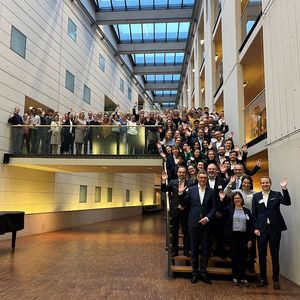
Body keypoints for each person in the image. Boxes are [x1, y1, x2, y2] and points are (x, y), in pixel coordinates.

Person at [252, 176, 291, 290]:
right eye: (263, 183)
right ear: (260, 184)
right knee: (262, 255)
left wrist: (284, 189)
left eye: (267, 182)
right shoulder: (256, 196)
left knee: (275, 254)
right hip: (261, 230)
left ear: (270, 183)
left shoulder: (277, 194)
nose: (265, 184)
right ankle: (263, 279)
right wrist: (255, 228)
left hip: (274, 229)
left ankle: (276, 280)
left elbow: (288, 202)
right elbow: (254, 214)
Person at [179, 170, 217, 284]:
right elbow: (184, 204)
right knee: (194, 250)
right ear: (198, 178)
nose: (203, 179)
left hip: (206, 224)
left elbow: (214, 208)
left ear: (207, 178)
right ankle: (195, 273)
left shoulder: (212, 191)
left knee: (205, 250)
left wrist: (207, 218)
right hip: (193, 224)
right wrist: (181, 194)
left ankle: (203, 272)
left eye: (205, 178)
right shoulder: (191, 190)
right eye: (201, 177)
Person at [219, 191, 253, 286]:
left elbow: (251, 226)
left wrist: (250, 239)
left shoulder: (247, 211)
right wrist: (221, 200)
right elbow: (220, 211)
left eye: (238, 198)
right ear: (233, 200)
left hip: (244, 237)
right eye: (235, 198)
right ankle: (235, 277)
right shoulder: (229, 209)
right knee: (235, 257)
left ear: (242, 199)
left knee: (243, 257)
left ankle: (243, 277)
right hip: (233, 237)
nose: (237, 200)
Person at [161, 167, 193, 257]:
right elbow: (164, 190)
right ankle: (174, 250)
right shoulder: (172, 182)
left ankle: (186, 250)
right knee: (174, 231)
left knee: (186, 231)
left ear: (185, 173)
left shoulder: (190, 183)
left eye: (183, 172)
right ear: (177, 173)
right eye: (180, 172)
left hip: (186, 210)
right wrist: (163, 181)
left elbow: (191, 197)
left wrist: (185, 206)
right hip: (175, 210)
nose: (182, 174)